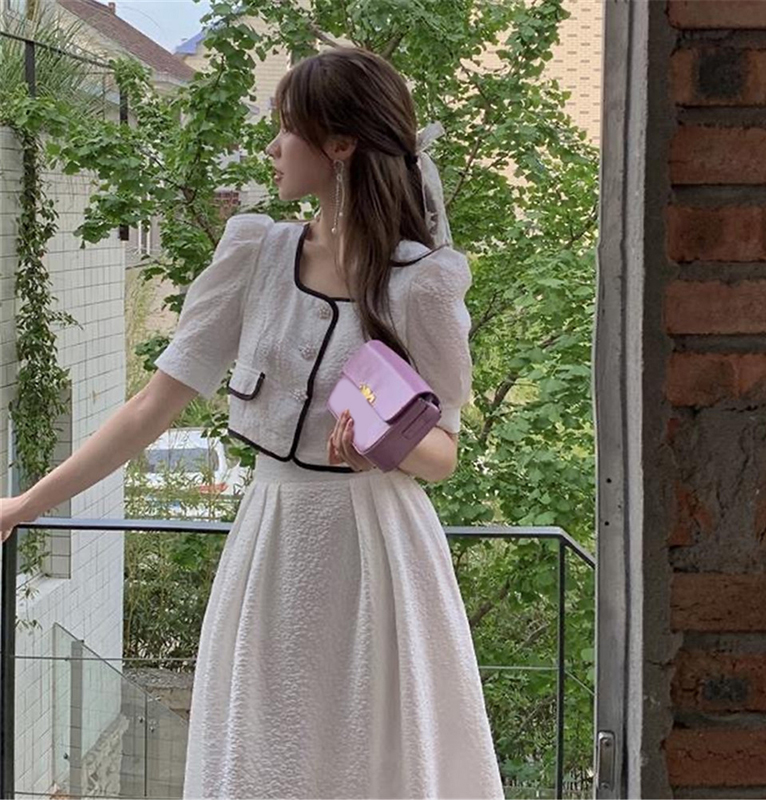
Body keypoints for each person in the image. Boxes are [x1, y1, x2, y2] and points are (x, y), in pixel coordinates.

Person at [2, 47, 505, 799]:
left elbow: (444, 452)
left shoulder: (420, 281)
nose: (272, 147)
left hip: (379, 551)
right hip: (272, 539)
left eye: (287, 128)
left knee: (372, 756)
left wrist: (384, 451)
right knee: (264, 752)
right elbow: (149, 409)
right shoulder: (257, 255)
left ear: (341, 145)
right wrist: (24, 506)